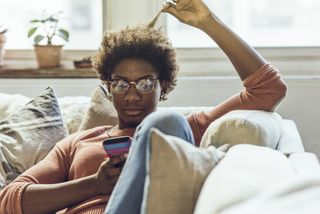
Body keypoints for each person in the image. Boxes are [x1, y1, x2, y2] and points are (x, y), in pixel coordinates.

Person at [0, 0, 287, 213]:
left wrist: (208, 22)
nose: (133, 95)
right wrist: (94, 185)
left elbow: (268, 89)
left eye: (146, 84)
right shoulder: (78, 143)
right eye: (122, 84)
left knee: (166, 125)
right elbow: (9, 199)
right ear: (109, 88)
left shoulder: (186, 129)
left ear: (164, 87)